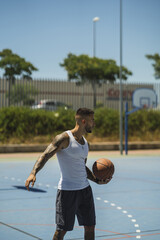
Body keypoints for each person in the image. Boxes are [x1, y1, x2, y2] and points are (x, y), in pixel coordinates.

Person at [25, 108, 111, 240]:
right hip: (67, 192)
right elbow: (46, 155)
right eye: (92, 120)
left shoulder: (86, 143)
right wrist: (33, 172)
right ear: (83, 121)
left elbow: (82, 167)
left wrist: (96, 180)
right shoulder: (64, 138)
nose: (94, 123)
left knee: (90, 227)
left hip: (85, 190)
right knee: (61, 230)